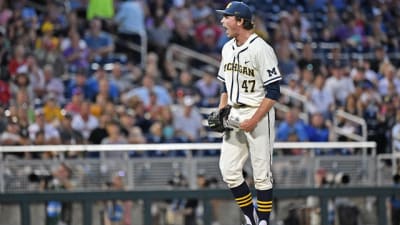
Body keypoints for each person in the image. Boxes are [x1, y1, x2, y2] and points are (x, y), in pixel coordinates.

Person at [214, 2, 282, 225]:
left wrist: (254, 120)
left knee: (262, 175)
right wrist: (222, 108)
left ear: (240, 21)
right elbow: (224, 84)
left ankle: (263, 221)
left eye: (227, 17)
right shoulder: (227, 48)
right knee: (229, 170)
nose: (223, 21)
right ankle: (251, 216)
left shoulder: (261, 49)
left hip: (258, 112)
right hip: (235, 113)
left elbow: (273, 91)